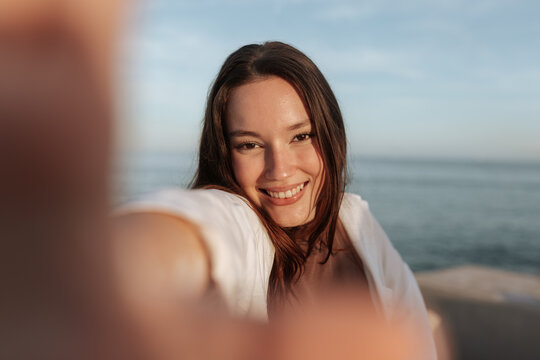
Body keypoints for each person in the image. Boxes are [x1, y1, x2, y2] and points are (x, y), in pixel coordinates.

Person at [115, 41, 438, 359]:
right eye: (249, 145)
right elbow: (189, 229)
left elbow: (416, 338)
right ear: (225, 155)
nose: (280, 170)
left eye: (300, 136)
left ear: (331, 134)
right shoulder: (241, 222)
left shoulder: (356, 222)